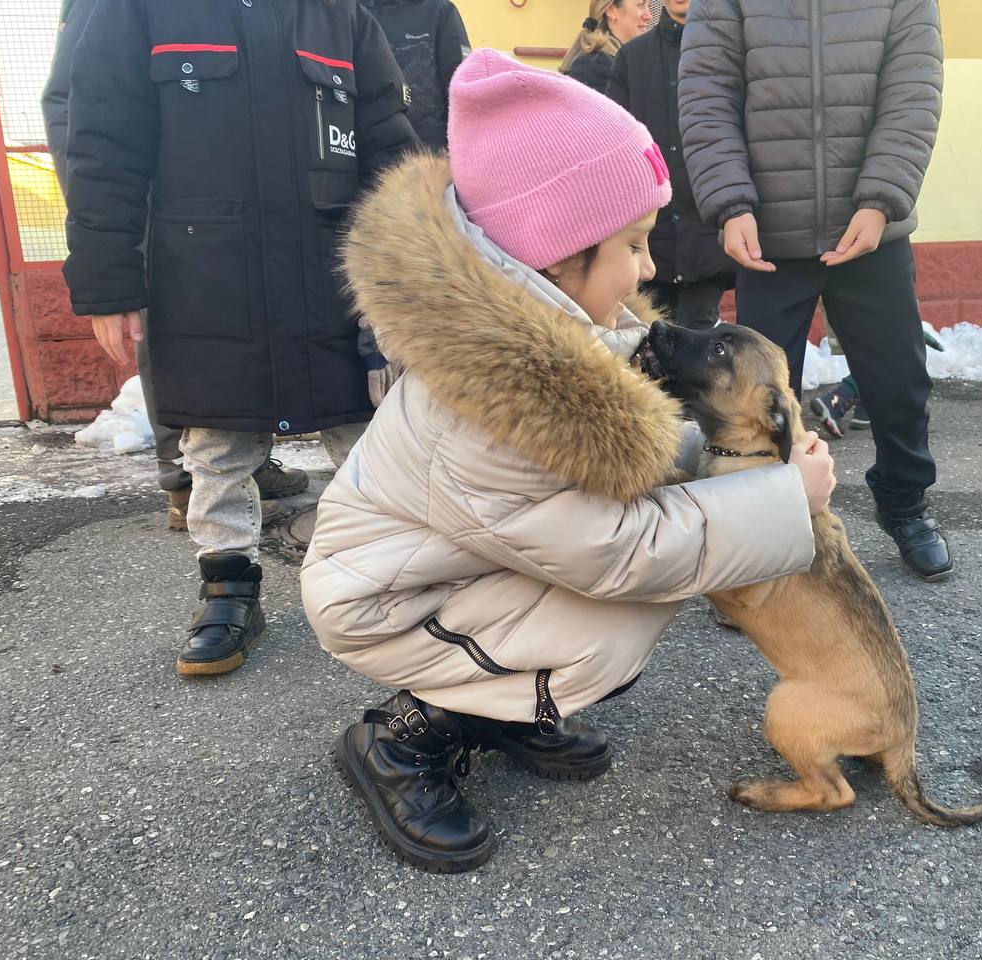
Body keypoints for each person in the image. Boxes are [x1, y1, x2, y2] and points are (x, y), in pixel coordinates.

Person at [302, 50, 836, 873]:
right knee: (612, 628)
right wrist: (783, 502)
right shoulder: (488, 409)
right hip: (385, 601)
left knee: (643, 588)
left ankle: (505, 712)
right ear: (555, 257)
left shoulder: (558, 330)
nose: (651, 268)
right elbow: (618, 552)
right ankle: (401, 742)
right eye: (633, 242)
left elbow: (639, 465)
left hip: (459, 569)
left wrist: (754, 465)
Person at [60, 0, 418, 676]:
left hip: (331, 278)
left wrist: (403, 276)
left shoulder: (340, 17)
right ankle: (229, 589)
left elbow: (390, 149)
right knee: (217, 445)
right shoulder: (137, 11)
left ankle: (389, 577)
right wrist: (107, 282)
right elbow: (102, 145)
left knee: (372, 447)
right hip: (203, 278)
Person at [680, 0, 954, 581]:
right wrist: (731, 203)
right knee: (754, 398)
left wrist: (882, 200)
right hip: (769, 232)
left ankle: (904, 504)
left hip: (872, 230)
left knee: (899, 381)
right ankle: (766, 535)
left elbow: (912, 95)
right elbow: (708, 97)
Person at [40, 0, 309, 532]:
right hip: (159, 212)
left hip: (254, 215)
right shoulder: (121, 10)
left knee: (248, 338)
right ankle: (183, 478)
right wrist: (110, 254)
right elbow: (83, 121)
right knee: (184, 348)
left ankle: (251, 457)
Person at [606, 0, 733, 330]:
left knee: (699, 356)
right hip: (650, 240)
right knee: (648, 352)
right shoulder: (632, 57)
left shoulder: (727, 53)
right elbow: (613, 146)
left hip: (706, 239)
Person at [362, 0, 471, 148]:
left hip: (430, 158)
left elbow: (464, 91)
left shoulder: (441, 11)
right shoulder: (351, 11)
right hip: (368, 154)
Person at [559, 0, 651, 94]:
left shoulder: (621, 61)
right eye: (640, 5)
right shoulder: (594, 67)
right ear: (611, 11)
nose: (649, 16)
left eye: (649, 5)